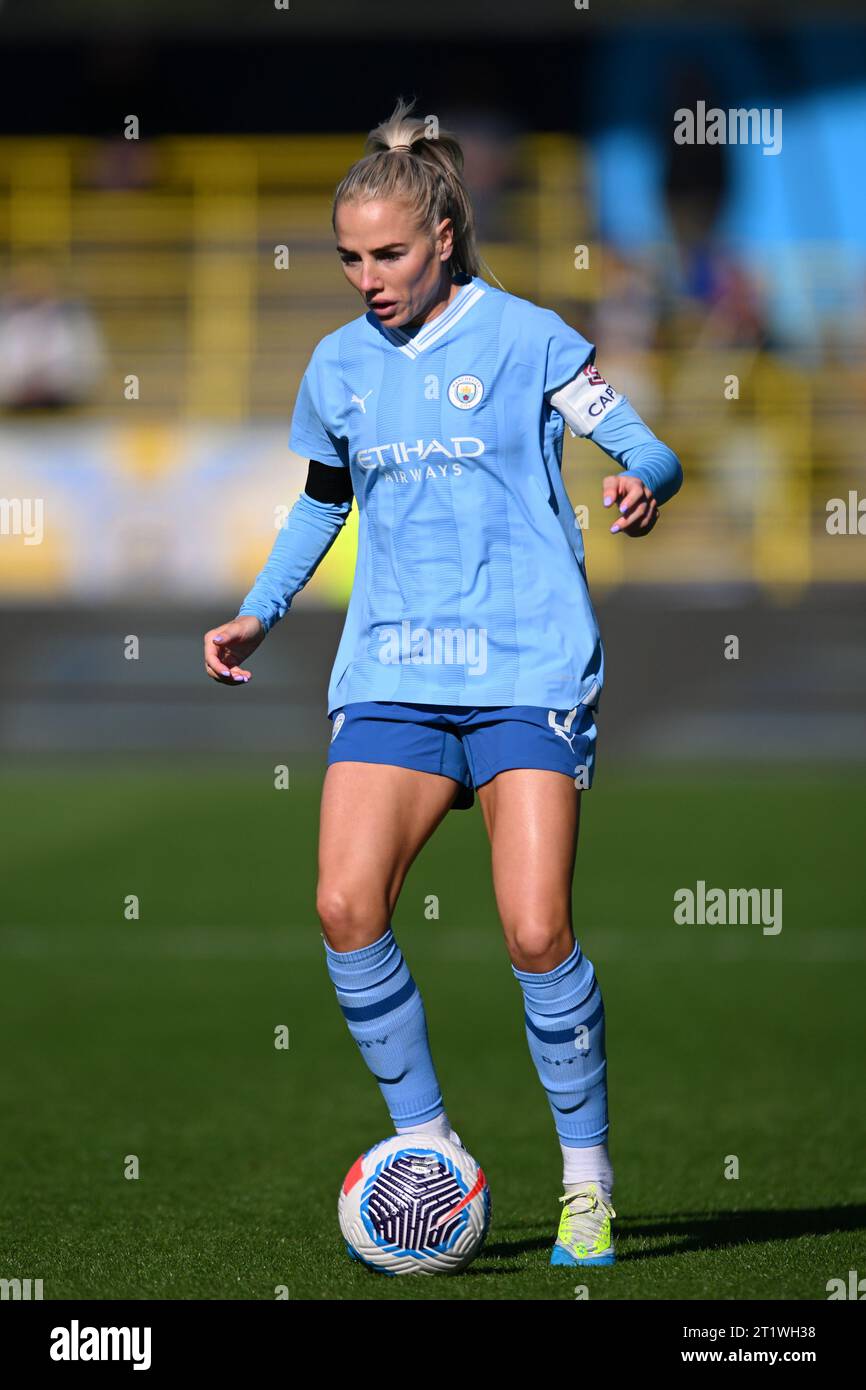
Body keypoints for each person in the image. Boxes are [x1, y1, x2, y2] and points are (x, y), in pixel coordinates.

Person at [203, 96, 683, 1269]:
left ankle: (584, 1181)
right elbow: (323, 500)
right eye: (349, 258)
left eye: (389, 254)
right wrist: (260, 609)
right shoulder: (336, 365)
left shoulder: (527, 340)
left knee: (533, 931)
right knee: (343, 907)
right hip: (393, 674)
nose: (368, 277)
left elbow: (649, 447)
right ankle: (427, 1146)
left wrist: (642, 488)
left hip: (525, 669)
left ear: (444, 239)